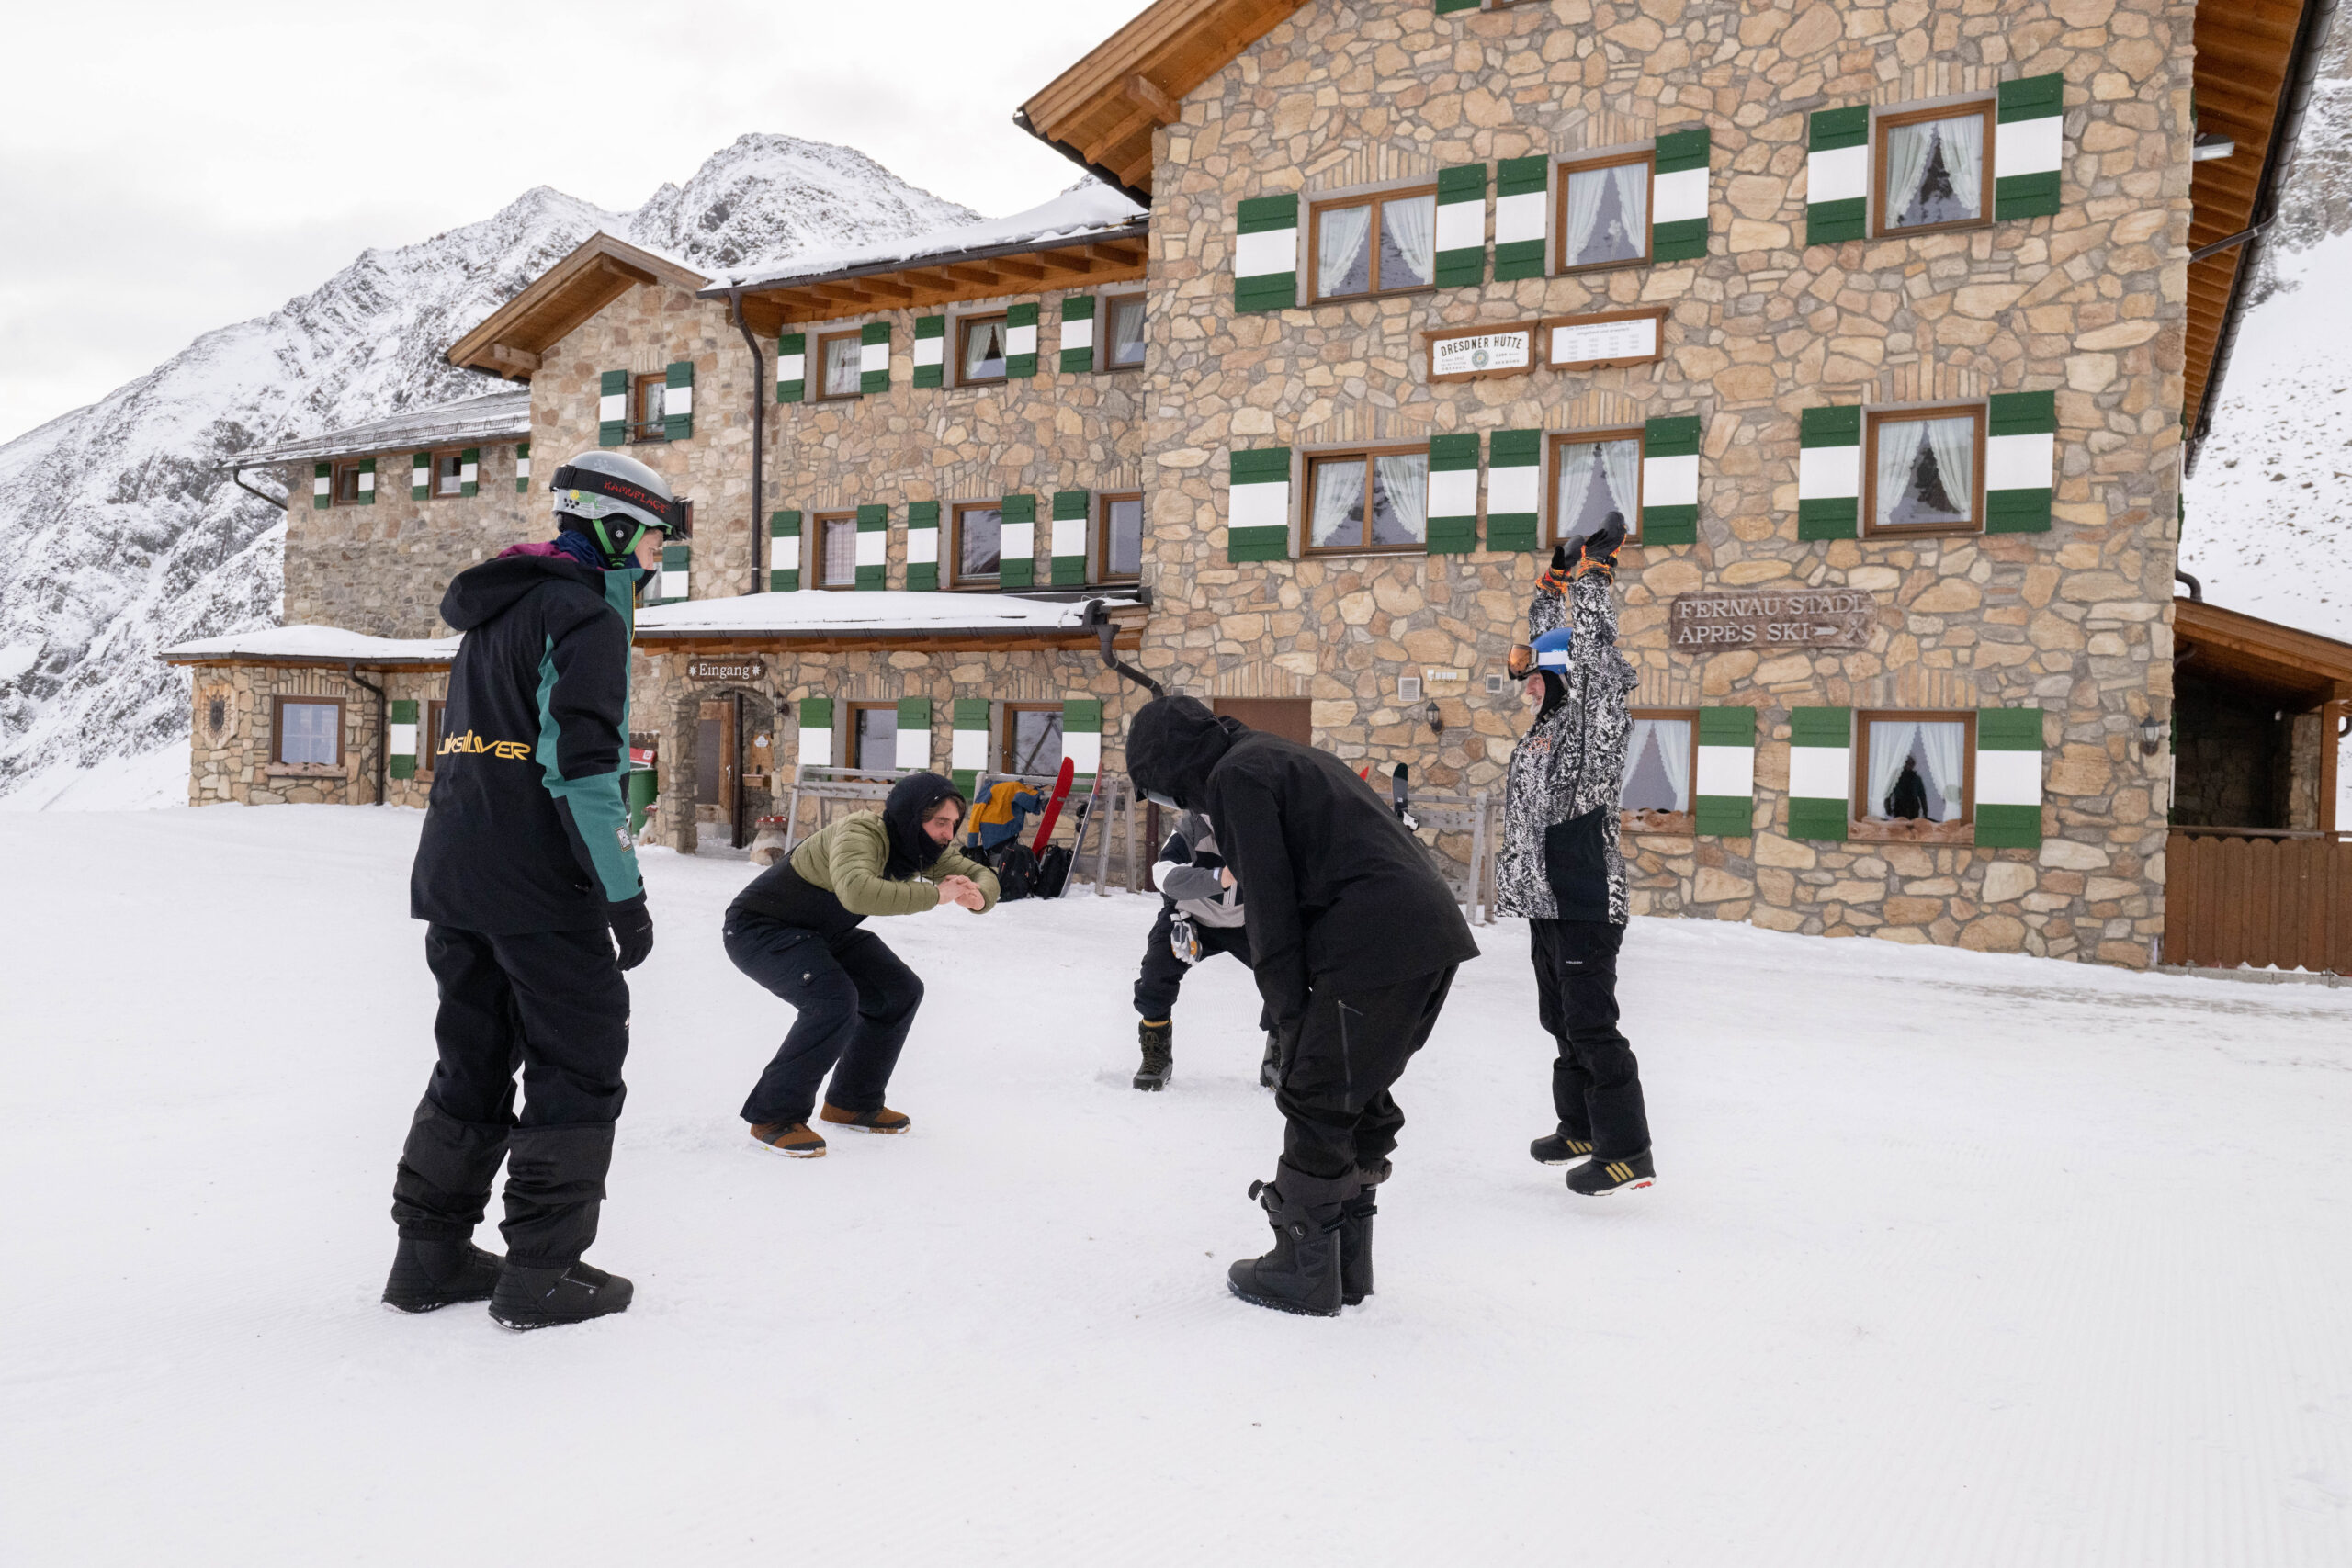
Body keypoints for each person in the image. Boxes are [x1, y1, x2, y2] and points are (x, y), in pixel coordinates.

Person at [386, 450, 683, 1331]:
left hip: (458, 873)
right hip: (539, 886)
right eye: (655, 540)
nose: (658, 558)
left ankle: (429, 1255)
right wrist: (625, 895)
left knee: (472, 1058)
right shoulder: (583, 613)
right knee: (578, 1061)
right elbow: (582, 771)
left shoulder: (498, 609)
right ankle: (542, 1272)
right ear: (615, 528)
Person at [1126, 699, 1479, 1317]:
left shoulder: (1236, 777)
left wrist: (1288, 1013)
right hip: (1422, 934)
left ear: (1172, 767)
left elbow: (1269, 904)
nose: (1172, 803)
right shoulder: (1272, 756)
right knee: (1351, 1087)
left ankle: (1302, 1268)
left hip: (1377, 937)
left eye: (1158, 791)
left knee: (1316, 1090)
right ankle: (1344, 1264)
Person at [1496, 513, 1657, 1198]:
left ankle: (1628, 1152)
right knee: (1560, 1020)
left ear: (1566, 678)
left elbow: (1588, 653)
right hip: (1546, 897)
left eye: (1536, 677)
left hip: (1585, 897)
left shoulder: (1595, 720)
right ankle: (1582, 1127)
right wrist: (1552, 584)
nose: (1527, 686)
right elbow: (1553, 646)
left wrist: (1593, 577)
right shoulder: (1549, 724)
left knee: (1592, 1024)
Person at [725, 772, 1000, 1156]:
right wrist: (934, 895)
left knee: (898, 991)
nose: (947, 833)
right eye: (940, 822)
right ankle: (773, 1117)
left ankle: (852, 1103)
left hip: (821, 931)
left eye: (953, 824)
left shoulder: (920, 848)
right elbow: (857, 892)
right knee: (832, 1000)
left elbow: (978, 873)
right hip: (762, 929)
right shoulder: (860, 833)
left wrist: (979, 895)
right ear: (911, 816)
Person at [1129, 810, 1276, 1091]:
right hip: (1192, 917)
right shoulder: (1194, 826)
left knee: (1287, 974)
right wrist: (1219, 877)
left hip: (1249, 920)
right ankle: (1156, 1054)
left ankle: (1278, 1057)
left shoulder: (1269, 826)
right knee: (1155, 972)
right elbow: (1163, 874)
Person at [966, 775, 1046, 852]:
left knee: (998, 857)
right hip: (1006, 831)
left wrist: (972, 845)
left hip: (989, 831)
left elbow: (975, 815)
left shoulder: (989, 788)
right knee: (1007, 857)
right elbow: (1028, 800)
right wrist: (1039, 792)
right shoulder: (1017, 786)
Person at [1885, 755, 1929, 820]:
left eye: (1911, 764)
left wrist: (1925, 811)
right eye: (1907, 763)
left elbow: (1922, 796)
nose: (1908, 766)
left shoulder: (1917, 779)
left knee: (1912, 825)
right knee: (1900, 825)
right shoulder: (1895, 778)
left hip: (1913, 807)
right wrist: (1888, 808)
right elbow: (1888, 794)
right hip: (1900, 807)